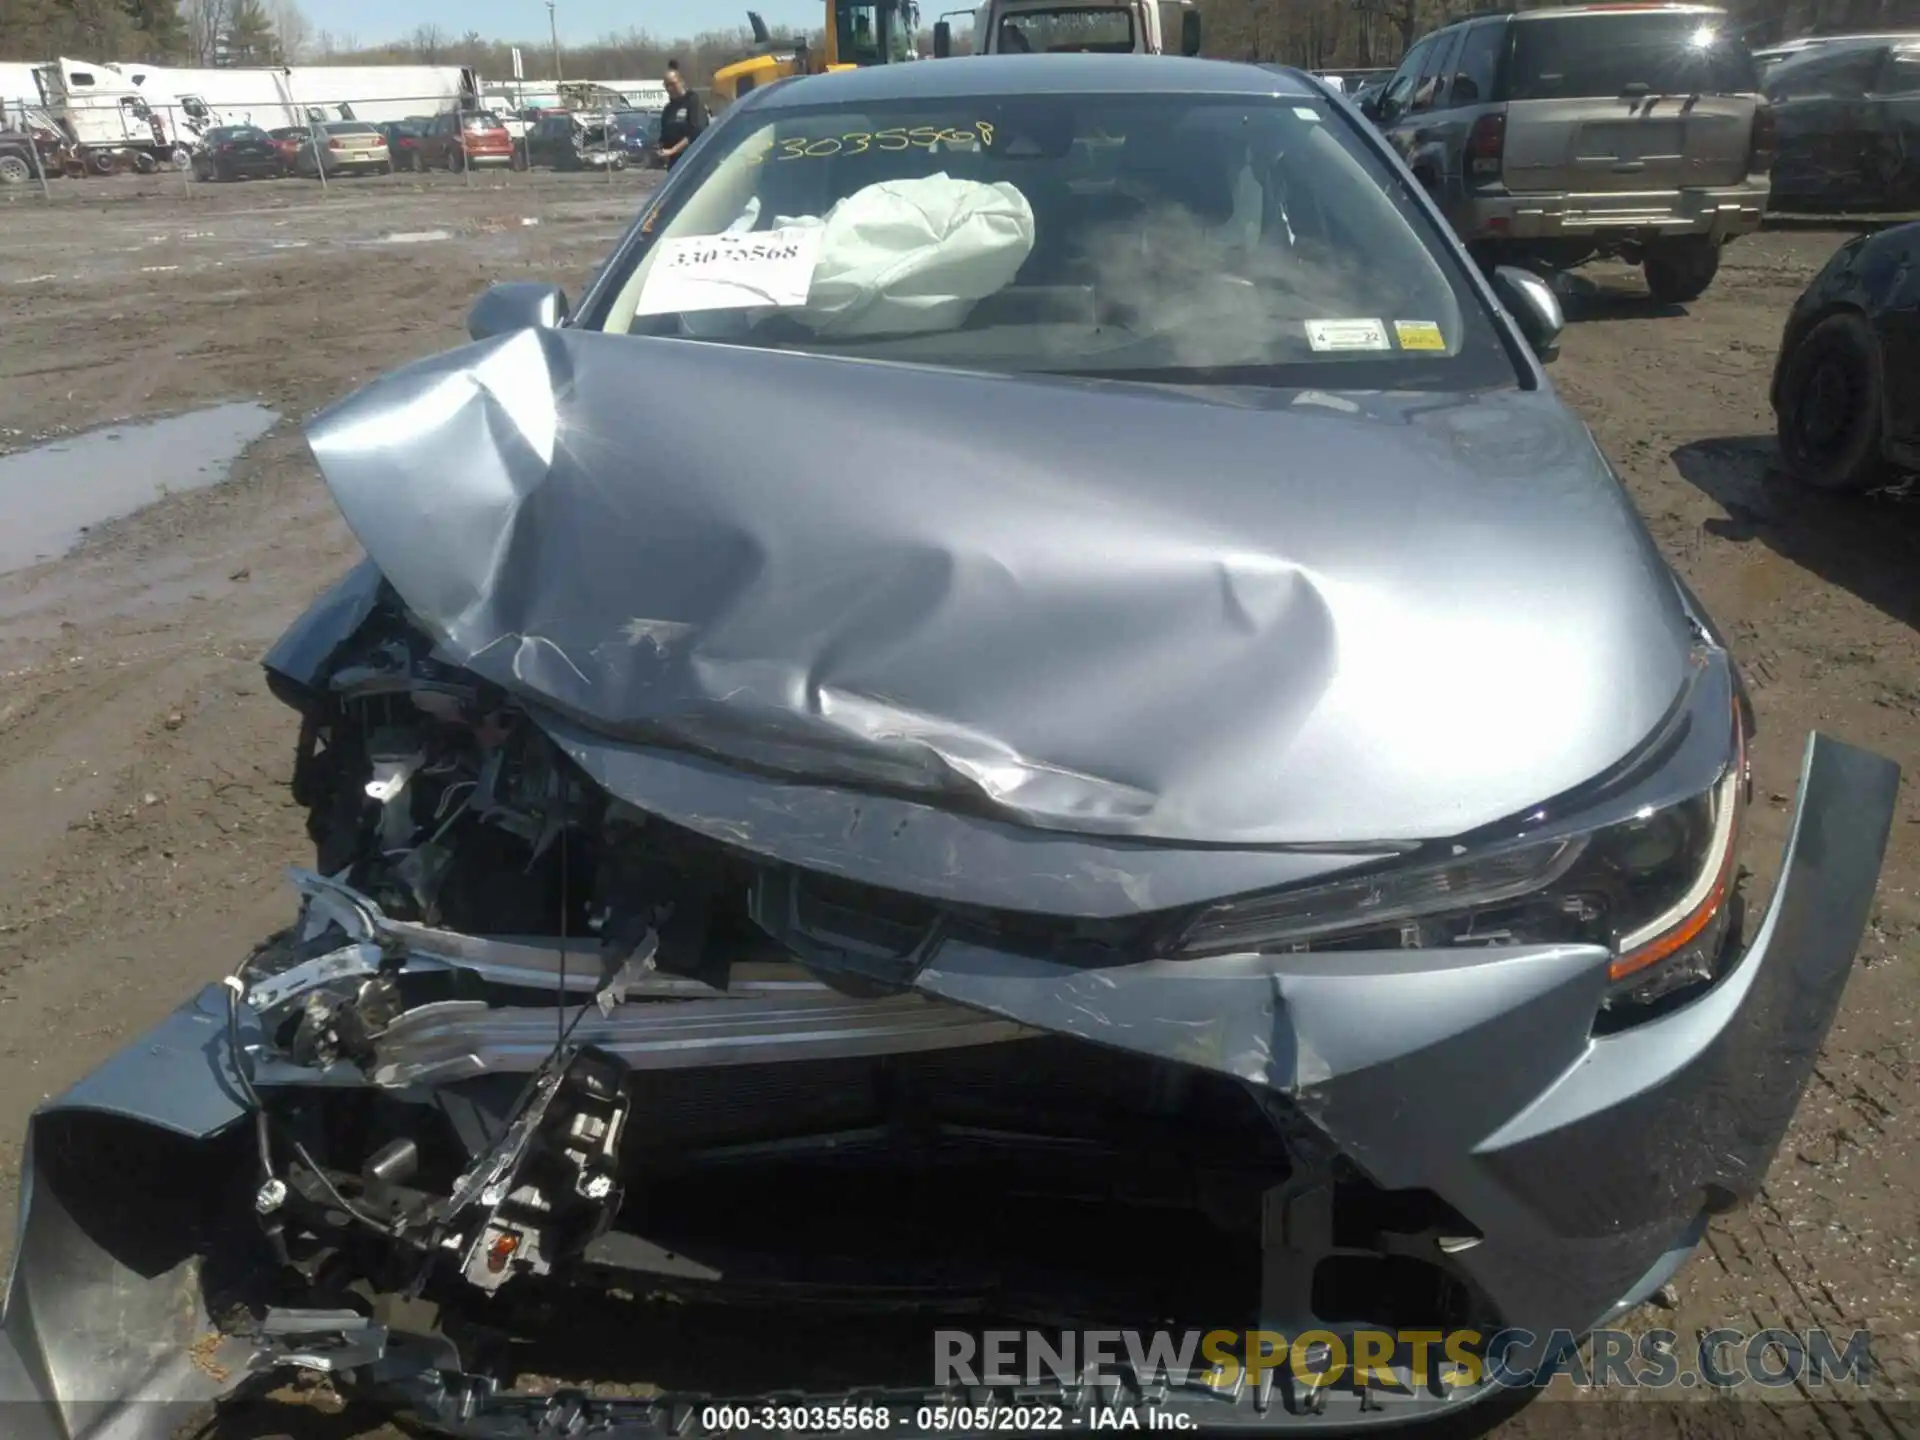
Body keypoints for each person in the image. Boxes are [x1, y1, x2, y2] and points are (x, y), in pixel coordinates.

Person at [655, 62, 707, 170]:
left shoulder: (693, 101)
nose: (669, 88)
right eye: (666, 85)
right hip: (674, 165)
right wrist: (660, 149)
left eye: (673, 84)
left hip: (693, 161)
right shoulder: (668, 109)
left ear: (682, 82)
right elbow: (664, 135)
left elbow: (696, 132)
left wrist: (673, 150)